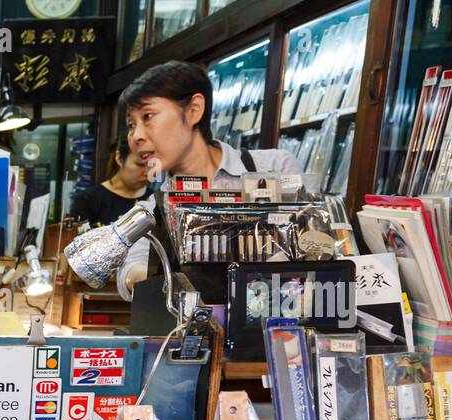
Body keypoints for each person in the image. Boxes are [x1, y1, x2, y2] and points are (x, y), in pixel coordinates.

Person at [114, 60, 302, 300]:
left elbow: (313, 250)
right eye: (131, 125)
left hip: (275, 328)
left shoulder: (275, 168)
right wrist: (157, 279)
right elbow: (131, 271)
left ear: (194, 110)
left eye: (148, 116)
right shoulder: (152, 209)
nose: (137, 136)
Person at [69, 137, 149, 226]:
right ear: (119, 158)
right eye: (140, 164)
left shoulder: (155, 200)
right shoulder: (88, 200)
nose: (148, 172)